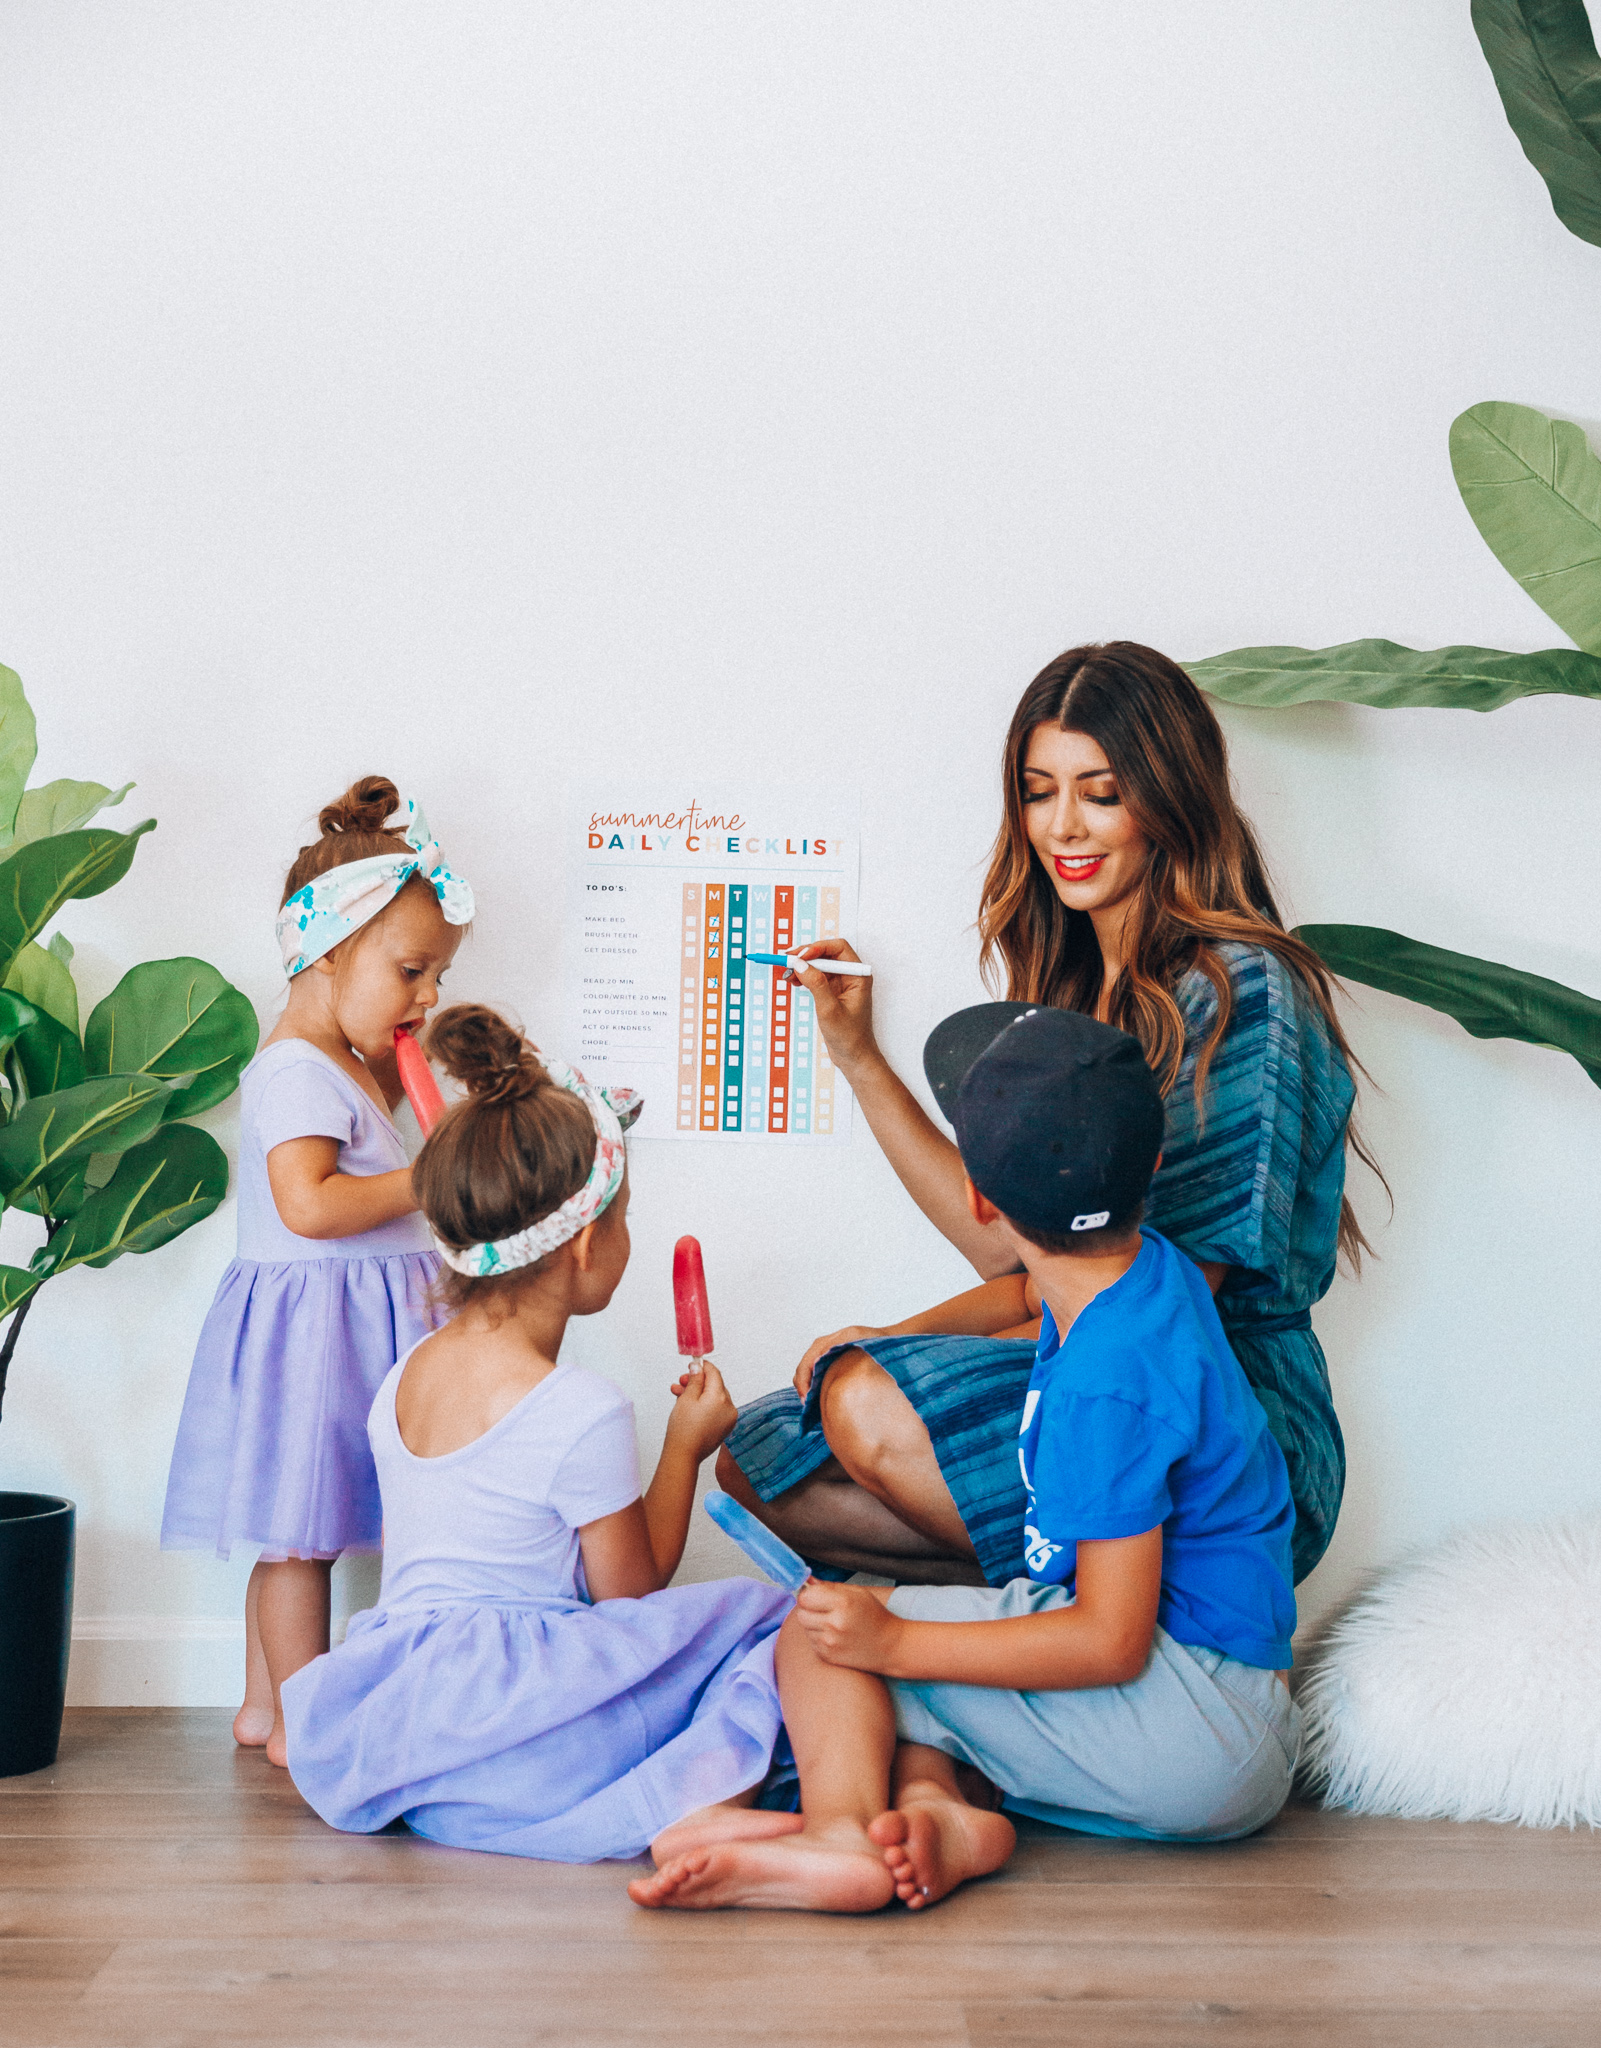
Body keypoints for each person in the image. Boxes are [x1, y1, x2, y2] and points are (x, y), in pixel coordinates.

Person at [721, 641, 1376, 1590]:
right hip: (1083, 1360)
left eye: (1100, 793)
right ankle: (1058, 1617)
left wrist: (881, 1351)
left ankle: (1116, 1617)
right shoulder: (1073, 992)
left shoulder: (1240, 992)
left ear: (1171, 798)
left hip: (1215, 1405)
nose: (1061, 825)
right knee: (758, 1458)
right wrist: (857, 1058)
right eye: (1038, 791)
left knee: (863, 1403)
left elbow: (1153, 1300)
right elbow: (1019, 1256)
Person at [633, 1005, 1299, 1913]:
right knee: (947, 1664)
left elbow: (1108, 1639)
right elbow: (1027, 1286)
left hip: (1188, 1719)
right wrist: (889, 1336)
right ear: (1147, 1165)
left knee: (831, 1629)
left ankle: (837, 1838)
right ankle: (938, 1817)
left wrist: (895, 1640)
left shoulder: (1108, 1388)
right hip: (1236, 1719)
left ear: (981, 1199)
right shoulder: (1145, 1271)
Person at [281, 1005, 793, 1862]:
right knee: (767, 1616)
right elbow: (628, 1596)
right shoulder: (578, 1408)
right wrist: (684, 1447)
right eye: (623, 1218)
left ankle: (510, 1801)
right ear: (587, 1245)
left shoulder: (402, 1380)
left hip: (412, 1732)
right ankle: (694, 1804)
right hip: (525, 1733)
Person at [161, 777, 474, 1766]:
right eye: (411, 971)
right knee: (298, 1537)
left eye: (437, 975)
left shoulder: (345, 1061)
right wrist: (428, 1178)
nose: (428, 996)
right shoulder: (296, 1066)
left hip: (349, 1328)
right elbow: (309, 1202)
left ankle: (263, 1705)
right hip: (315, 1335)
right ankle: (302, 1717)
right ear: (327, 953)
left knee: (309, 1531)